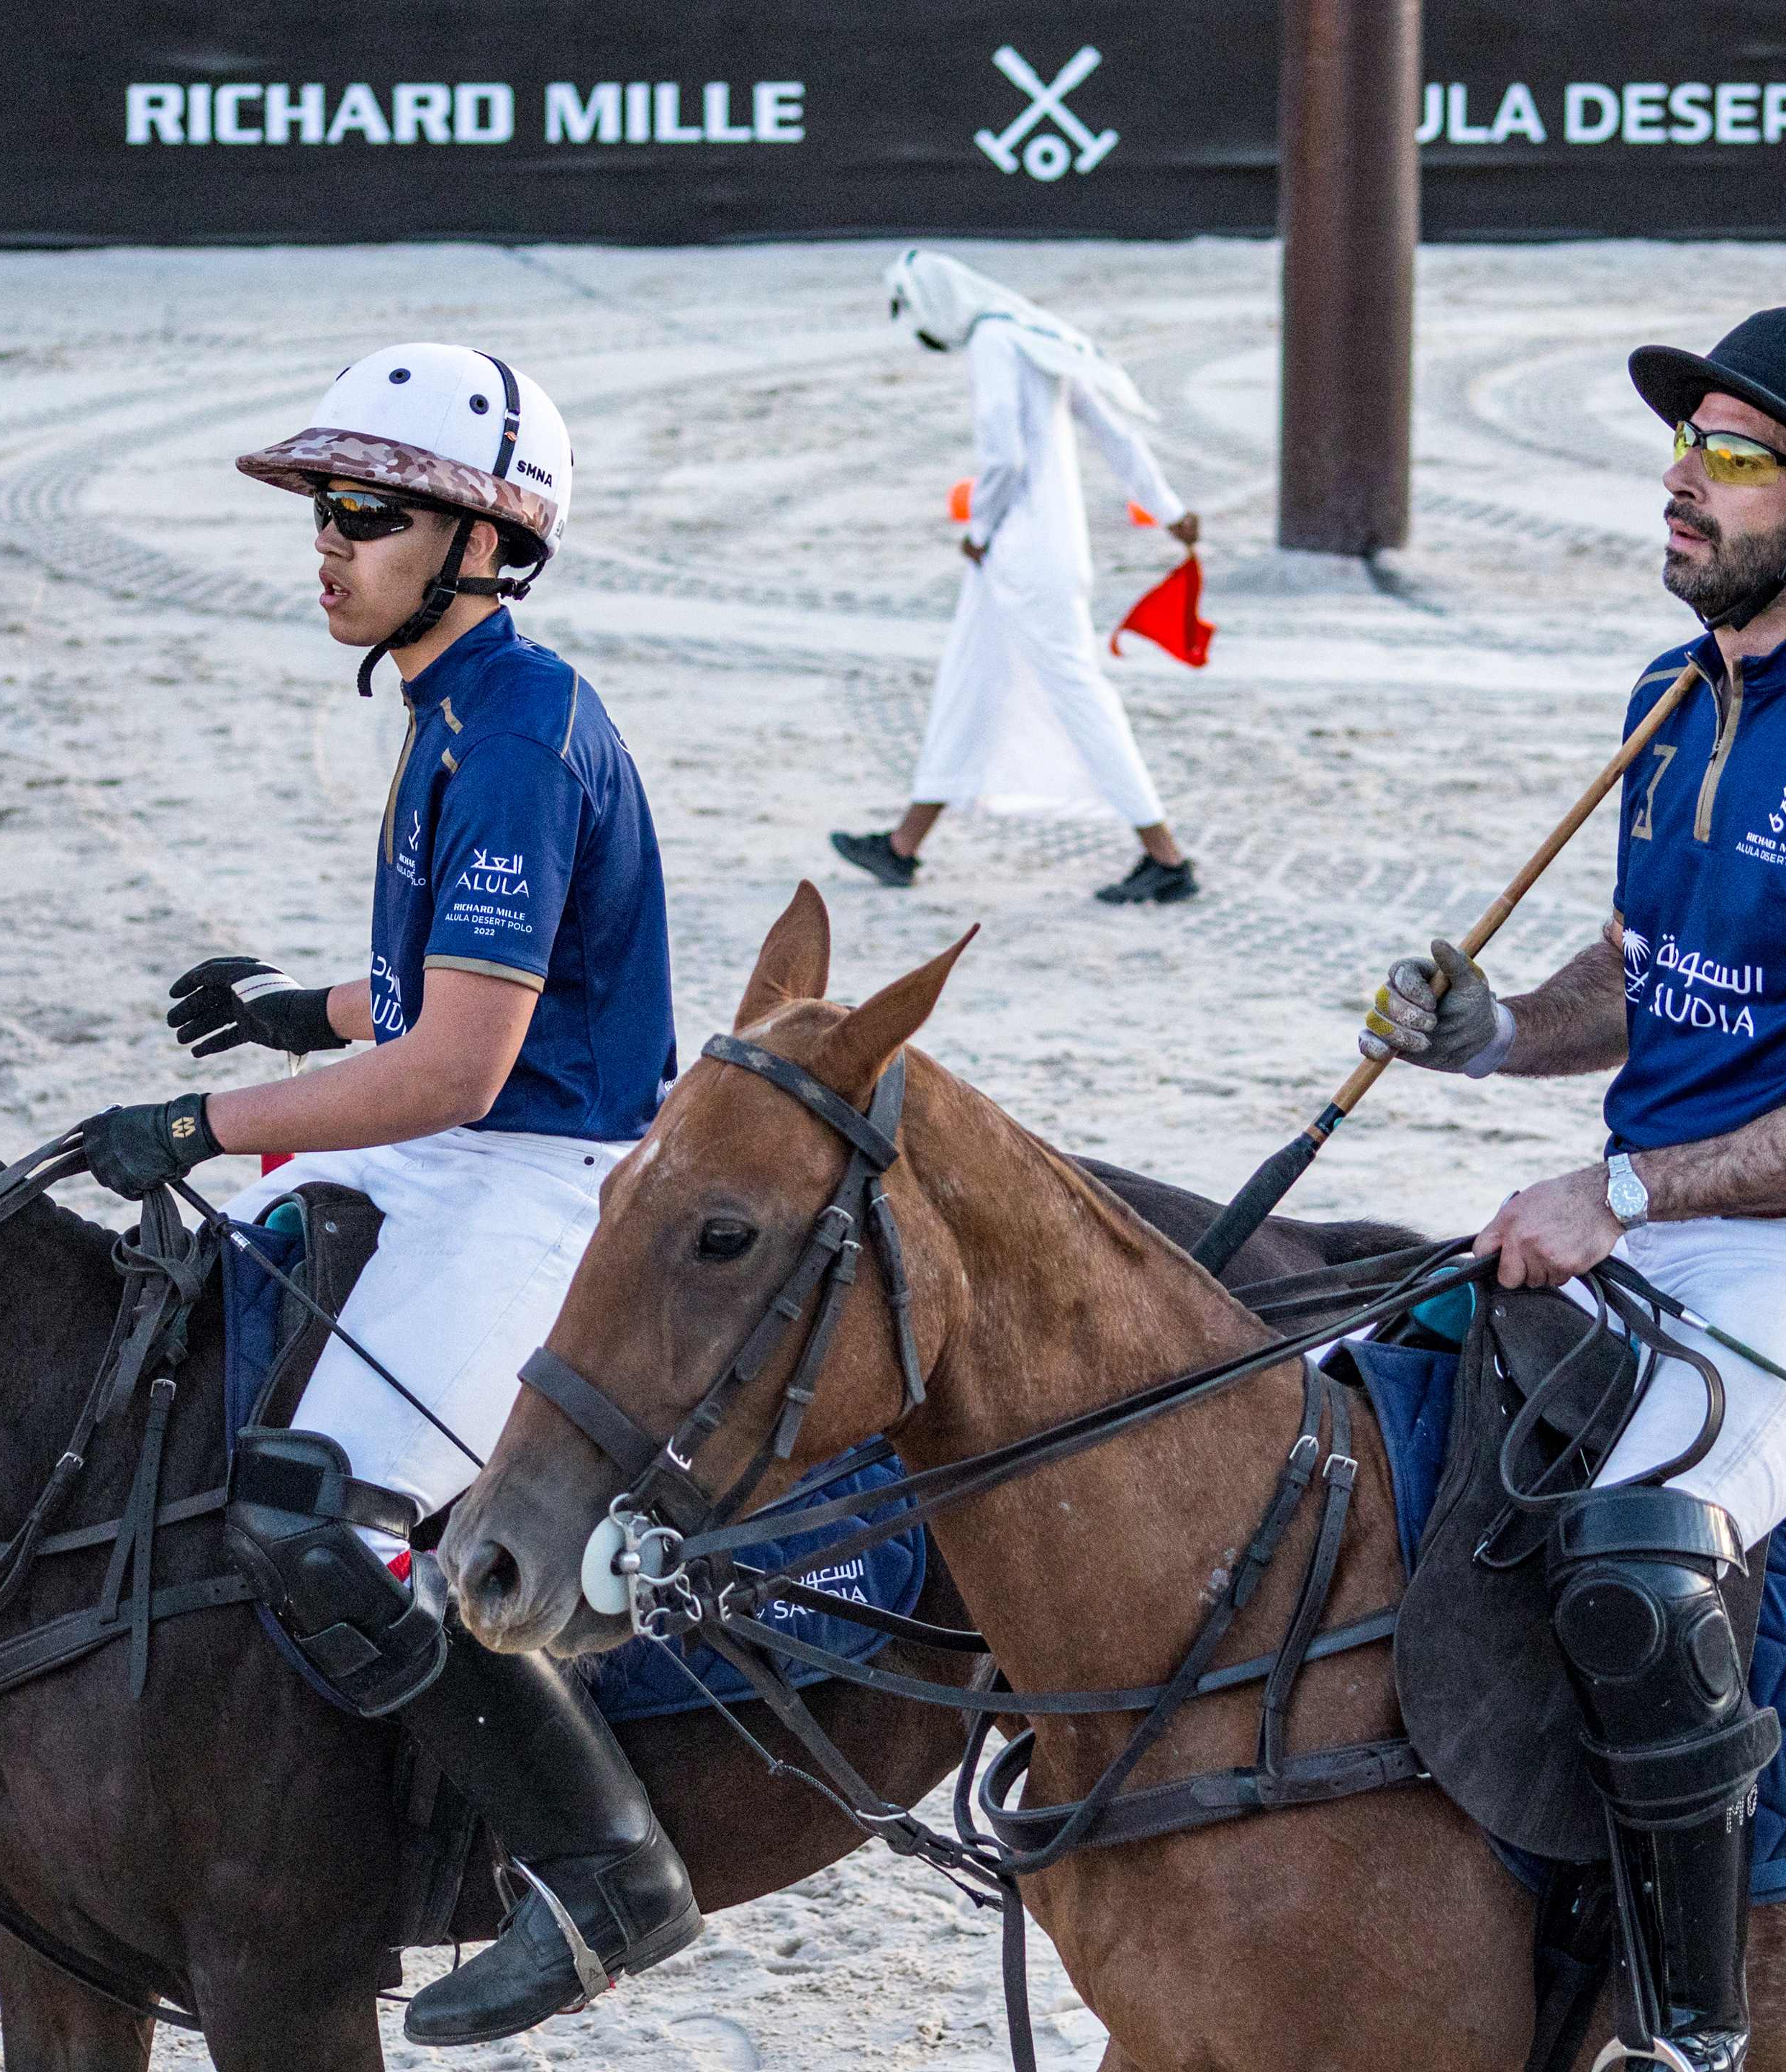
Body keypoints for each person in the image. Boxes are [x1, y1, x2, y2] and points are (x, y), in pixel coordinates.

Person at [1358, 308, 1786, 2071]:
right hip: (1651, 1219)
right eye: (1684, 445)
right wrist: (1499, 1032)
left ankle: (1690, 2029)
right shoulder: (1671, 692)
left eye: (1732, 456)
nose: (1681, 480)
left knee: (1642, 1568)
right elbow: (1654, 970)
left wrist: (1624, 1194)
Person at [66, 342, 702, 2048]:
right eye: (326, 511)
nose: (329, 544)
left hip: (541, 1178)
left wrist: (204, 1119)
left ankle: (609, 1871)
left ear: (484, 542)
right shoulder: (455, 705)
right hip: (454, 1143)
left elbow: (462, 1071)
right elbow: (439, 1002)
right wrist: (310, 1009)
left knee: (323, 1516)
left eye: (369, 513)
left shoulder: (518, 738)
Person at [833, 250, 1205, 905]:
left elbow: (1001, 456)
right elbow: (1116, 435)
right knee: (969, 686)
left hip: (1020, 555)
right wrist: (1169, 509)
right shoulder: (1033, 334)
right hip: (1048, 554)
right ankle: (902, 846)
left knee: (1078, 695)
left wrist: (978, 531)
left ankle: (1166, 858)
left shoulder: (993, 341)